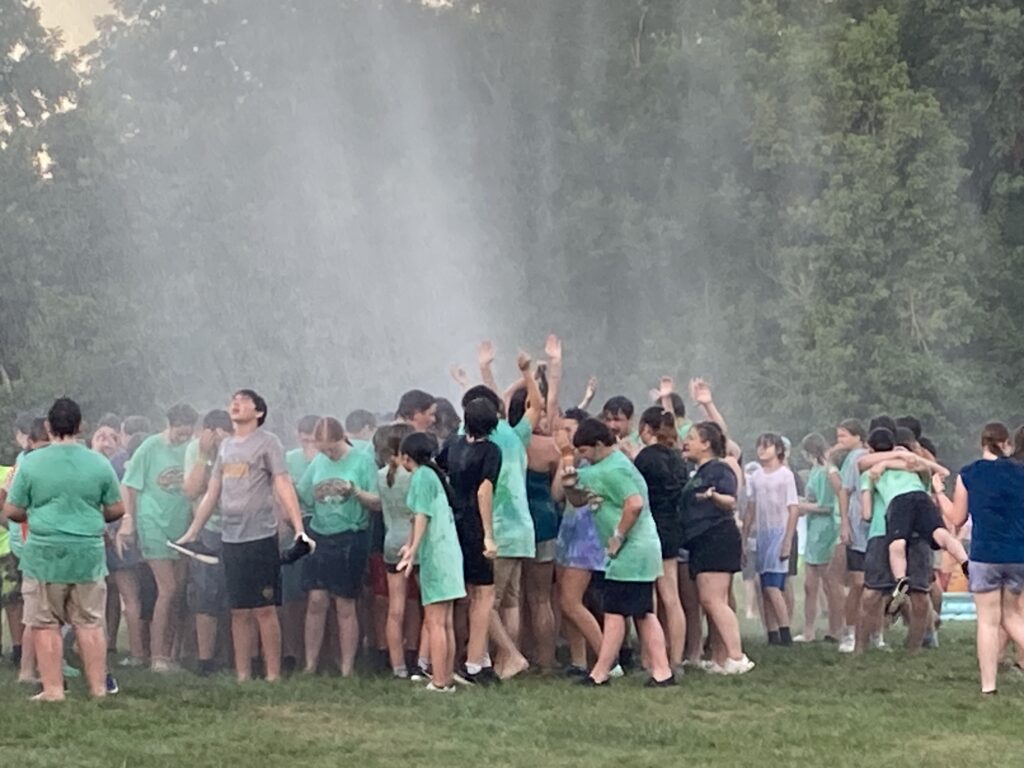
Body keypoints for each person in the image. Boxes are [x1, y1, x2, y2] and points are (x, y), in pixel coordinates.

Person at [177, 389, 308, 683]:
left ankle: (273, 674)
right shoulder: (225, 448)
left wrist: (298, 528)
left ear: (259, 412)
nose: (235, 404)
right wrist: (193, 532)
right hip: (230, 537)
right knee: (238, 610)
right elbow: (213, 492)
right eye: (232, 400)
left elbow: (282, 483)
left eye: (243, 401)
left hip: (261, 537)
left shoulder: (268, 443)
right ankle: (242, 675)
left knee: (264, 608)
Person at [2, 398, 125, 701]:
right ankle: (98, 688)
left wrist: (39, 514)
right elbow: (116, 508)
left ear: (48, 427)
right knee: (90, 620)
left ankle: (53, 690)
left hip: (44, 552)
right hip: (87, 551)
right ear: (81, 426)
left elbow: (13, 509)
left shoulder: (31, 462)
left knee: (44, 623)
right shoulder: (98, 462)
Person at [562, 418, 673, 687]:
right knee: (642, 612)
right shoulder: (601, 468)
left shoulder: (614, 469)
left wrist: (617, 537)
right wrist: (569, 484)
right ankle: (662, 671)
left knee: (615, 613)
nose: (581, 457)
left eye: (584, 451)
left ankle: (601, 673)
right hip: (639, 550)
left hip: (631, 550)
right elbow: (579, 501)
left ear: (600, 445)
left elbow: (633, 504)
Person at [467, 345, 543, 679]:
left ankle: (509, 657)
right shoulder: (514, 436)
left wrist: (486, 371)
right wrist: (527, 372)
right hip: (522, 529)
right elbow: (536, 407)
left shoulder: (474, 439)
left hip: (495, 529)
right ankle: (504, 662)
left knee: (487, 601)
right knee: (509, 601)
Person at [295, 417, 379, 676]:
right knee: (316, 599)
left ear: (341, 438)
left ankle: (347, 667)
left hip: (350, 536)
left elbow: (377, 501)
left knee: (345, 602)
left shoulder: (362, 461)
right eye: (323, 449)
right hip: (320, 535)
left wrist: (355, 492)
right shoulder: (319, 462)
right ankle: (310, 664)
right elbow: (304, 495)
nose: (328, 454)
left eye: (331, 448)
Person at [119, 403, 197, 672]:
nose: (182, 438)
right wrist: (128, 520)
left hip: (183, 526)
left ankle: (170, 652)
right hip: (153, 523)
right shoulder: (150, 447)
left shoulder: (193, 449)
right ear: (169, 425)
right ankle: (157, 658)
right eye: (179, 433)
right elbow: (129, 484)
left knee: (178, 589)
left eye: (187, 434)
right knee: (168, 588)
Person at [947, 422, 1024, 694]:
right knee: (1013, 616)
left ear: (983, 443)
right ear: (1006, 444)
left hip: (985, 554)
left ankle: (988, 686)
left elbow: (957, 518)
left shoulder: (969, 474)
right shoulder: (1020, 473)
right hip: (1017, 554)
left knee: (988, 621)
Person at [859, 434, 967, 612]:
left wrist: (895, 461)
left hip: (901, 501)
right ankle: (964, 562)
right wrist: (902, 459)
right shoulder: (906, 468)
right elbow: (941, 471)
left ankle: (901, 580)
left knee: (898, 544)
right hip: (917, 499)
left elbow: (942, 472)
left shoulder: (884, 469)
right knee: (939, 536)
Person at [679, 421, 753, 673]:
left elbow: (731, 501)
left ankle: (737, 657)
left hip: (717, 537)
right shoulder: (696, 470)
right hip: (701, 540)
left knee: (714, 600)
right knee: (711, 600)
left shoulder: (720, 469)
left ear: (706, 443)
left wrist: (712, 496)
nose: (685, 442)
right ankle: (722, 660)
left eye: (691, 437)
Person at [396, 432, 467, 693]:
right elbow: (418, 518)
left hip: (436, 556)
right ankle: (445, 677)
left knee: (435, 621)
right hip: (449, 554)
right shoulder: (435, 475)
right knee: (444, 621)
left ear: (406, 457)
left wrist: (412, 550)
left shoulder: (421, 477)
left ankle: (439, 681)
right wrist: (409, 543)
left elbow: (421, 515)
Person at [440, 399, 503, 684]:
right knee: (484, 595)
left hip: (455, 521)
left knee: (462, 594)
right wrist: (488, 534)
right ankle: (474, 662)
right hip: (475, 524)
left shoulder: (453, 444)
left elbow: (439, 469)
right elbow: (484, 491)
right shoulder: (490, 451)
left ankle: (470, 658)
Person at [552, 408, 610, 677]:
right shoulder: (571, 459)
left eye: (569, 429)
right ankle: (579, 661)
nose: (564, 435)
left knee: (572, 601)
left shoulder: (593, 463)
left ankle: (607, 659)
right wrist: (565, 459)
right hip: (568, 531)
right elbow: (557, 493)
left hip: (587, 535)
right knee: (567, 602)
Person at [509, 386, 559, 673]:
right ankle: (547, 660)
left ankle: (515, 655)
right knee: (541, 598)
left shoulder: (506, 441)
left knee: (512, 598)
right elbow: (555, 493)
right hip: (543, 521)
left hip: (513, 522)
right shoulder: (548, 447)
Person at [634, 406, 687, 670]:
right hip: (672, 528)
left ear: (646, 428)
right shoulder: (678, 458)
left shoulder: (645, 458)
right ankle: (676, 658)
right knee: (672, 596)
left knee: (649, 596)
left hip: (650, 527)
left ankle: (649, 656)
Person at [181, 409, 234, 676]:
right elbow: (191, 489)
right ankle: (205, 660)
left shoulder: (238, 449)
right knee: (206, 595)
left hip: (237, 529)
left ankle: (234, 655)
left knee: (234, 596)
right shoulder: (195, 450)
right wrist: (204, 454)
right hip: (208, 531)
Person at [374, 423, 421, 678]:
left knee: (395, 608)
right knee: (427, 605)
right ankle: (421, 661)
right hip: (416, 544)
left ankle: (397, 666)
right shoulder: (416, 475)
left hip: (391, 543)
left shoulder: (382, 475)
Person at [744, 433, 798, 646]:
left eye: (767, 446)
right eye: (759, 446)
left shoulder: (785, 475)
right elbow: (751, 507)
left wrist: (787, 540)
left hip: (779, 531)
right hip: (763, 534)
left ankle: (785, 632)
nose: (762, 450)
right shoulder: (756, 476)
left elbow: (793, 509)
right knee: (762, 583)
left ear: (777, 450)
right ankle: (772, 632)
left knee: (773, 585)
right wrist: (745, 535)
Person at [795, 433, 844, 642]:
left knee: (830, 583)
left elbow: (827, 506)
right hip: (814, 530)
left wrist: (801, 506)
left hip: (826, 530)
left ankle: (837, 628)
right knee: (809, 584)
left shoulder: (828, 472)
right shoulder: (816, 471)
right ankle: (809, 630)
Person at [282, 414, 320, 673]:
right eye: (303, 439)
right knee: (292, 596)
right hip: (291, 528)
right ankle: (290, 651)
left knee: (317, 597)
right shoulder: (287, 459)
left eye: (312, 439)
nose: (307, 444)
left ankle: (319, 656)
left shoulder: (324, 459)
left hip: (320, 525)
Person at [835, 419, 868, 653]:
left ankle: (873, 632)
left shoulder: (861, 456)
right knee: (857, 582)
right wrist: (845, 521)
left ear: (858, 436)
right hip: (857, 526)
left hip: (870, 527)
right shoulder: (851, 459)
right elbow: (844, 491)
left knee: (872, 586)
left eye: (844, 436)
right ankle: (849, 631)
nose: (840, 441)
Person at [601, 396, 641, 460]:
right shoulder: (601, 441)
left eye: (617, 420)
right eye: (608, 420)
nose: (612, 425)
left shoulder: (641, 442)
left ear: (630, 419)